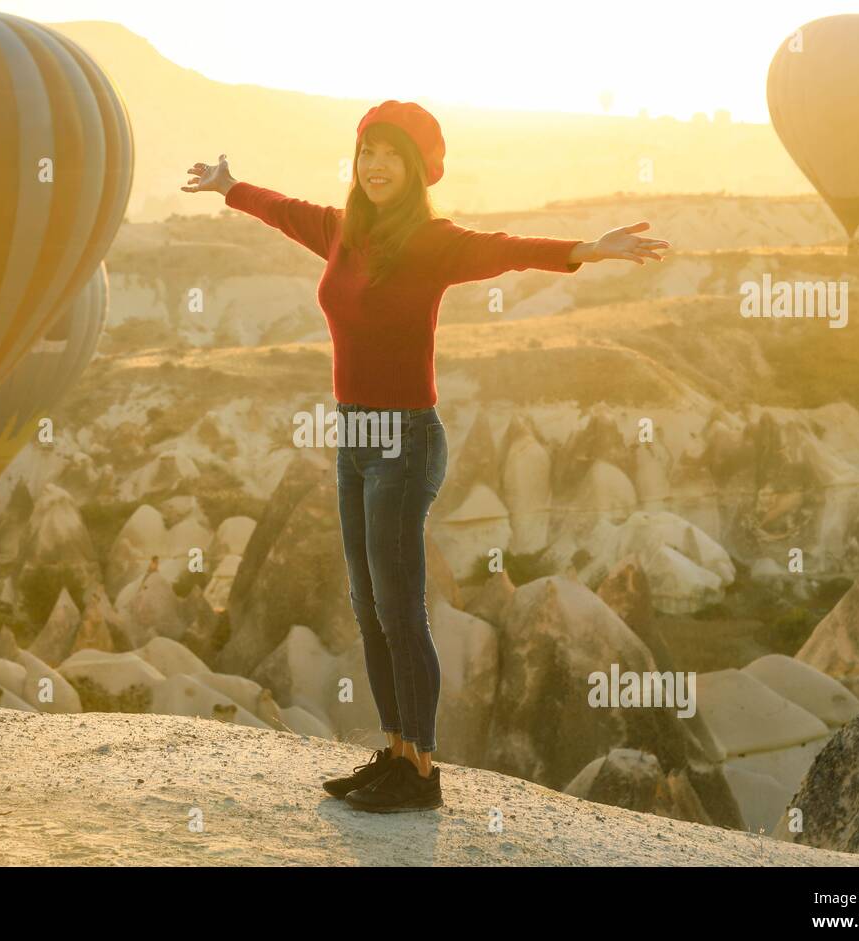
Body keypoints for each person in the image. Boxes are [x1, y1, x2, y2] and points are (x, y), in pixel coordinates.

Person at [183, 100, 668, 812]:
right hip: (353, 438)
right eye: (366, 153)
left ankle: (423, 772)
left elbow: (503, 246)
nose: (374, 166)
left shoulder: (430, 241)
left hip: (405, 443)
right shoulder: (342, 231)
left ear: (415, 171)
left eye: (391, 155)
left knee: (402, 609)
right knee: (368, 605)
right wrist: (231, 186)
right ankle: (395, 752)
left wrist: (587, 250)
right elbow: (283, 210)